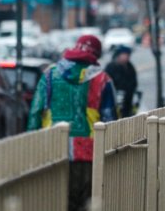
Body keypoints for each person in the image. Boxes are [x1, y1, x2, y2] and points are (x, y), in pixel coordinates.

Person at [27, 35, 117, 211]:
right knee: (85, 203)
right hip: (90, 153)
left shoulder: (49, 75)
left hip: (53, 149)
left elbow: (35, 113)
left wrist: (33, 146)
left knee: (57, 202)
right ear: (96, 55)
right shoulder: (102, 80)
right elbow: (111, 119)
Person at [105, 46, 139, 118]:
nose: (126, 57)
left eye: (128, 55)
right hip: (116, 100)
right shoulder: (111, 67)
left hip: (128, 100)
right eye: (124, 54)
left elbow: (134, 82)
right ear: (118, 55)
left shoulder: (130, 66)